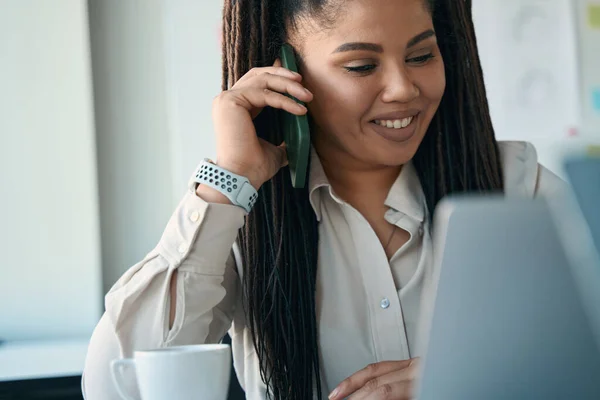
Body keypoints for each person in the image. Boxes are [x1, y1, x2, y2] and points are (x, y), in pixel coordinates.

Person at [82, 0, 565, 399]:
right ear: (285, 74)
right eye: (362, 65)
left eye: (421, 56)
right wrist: (228, 180)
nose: (403, 89)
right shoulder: (240, 219)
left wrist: (471, 382)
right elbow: (115, 386)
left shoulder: (519, 190)